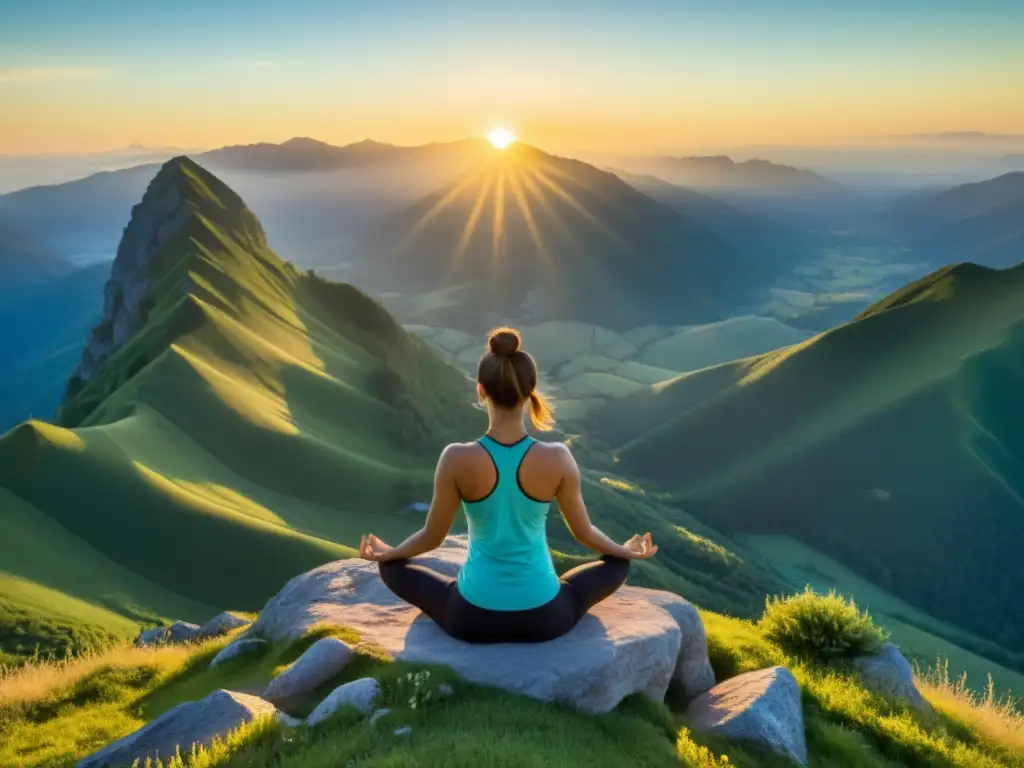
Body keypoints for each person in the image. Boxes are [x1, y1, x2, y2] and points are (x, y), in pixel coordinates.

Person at [359, 326, 658, 644]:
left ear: (480, 391)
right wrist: (624, 551)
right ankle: (600, 568)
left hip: (471, 618)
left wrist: (390, 555)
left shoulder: (456, 457)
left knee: (392, 570)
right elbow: (584, 534)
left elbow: (433, 536)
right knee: (616, 565)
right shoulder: (557, 457)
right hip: (545, 618)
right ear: (531, 393)